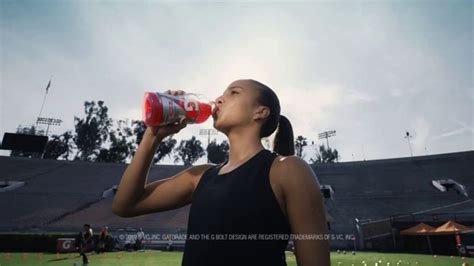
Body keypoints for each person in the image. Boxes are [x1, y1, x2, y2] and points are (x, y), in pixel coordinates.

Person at [112, 79, 330, 265]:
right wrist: (153, 136)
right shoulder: (199, 177)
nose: (218, 99)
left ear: (260, 112)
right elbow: (125, 205)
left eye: (234, 92)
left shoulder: (288, 169)